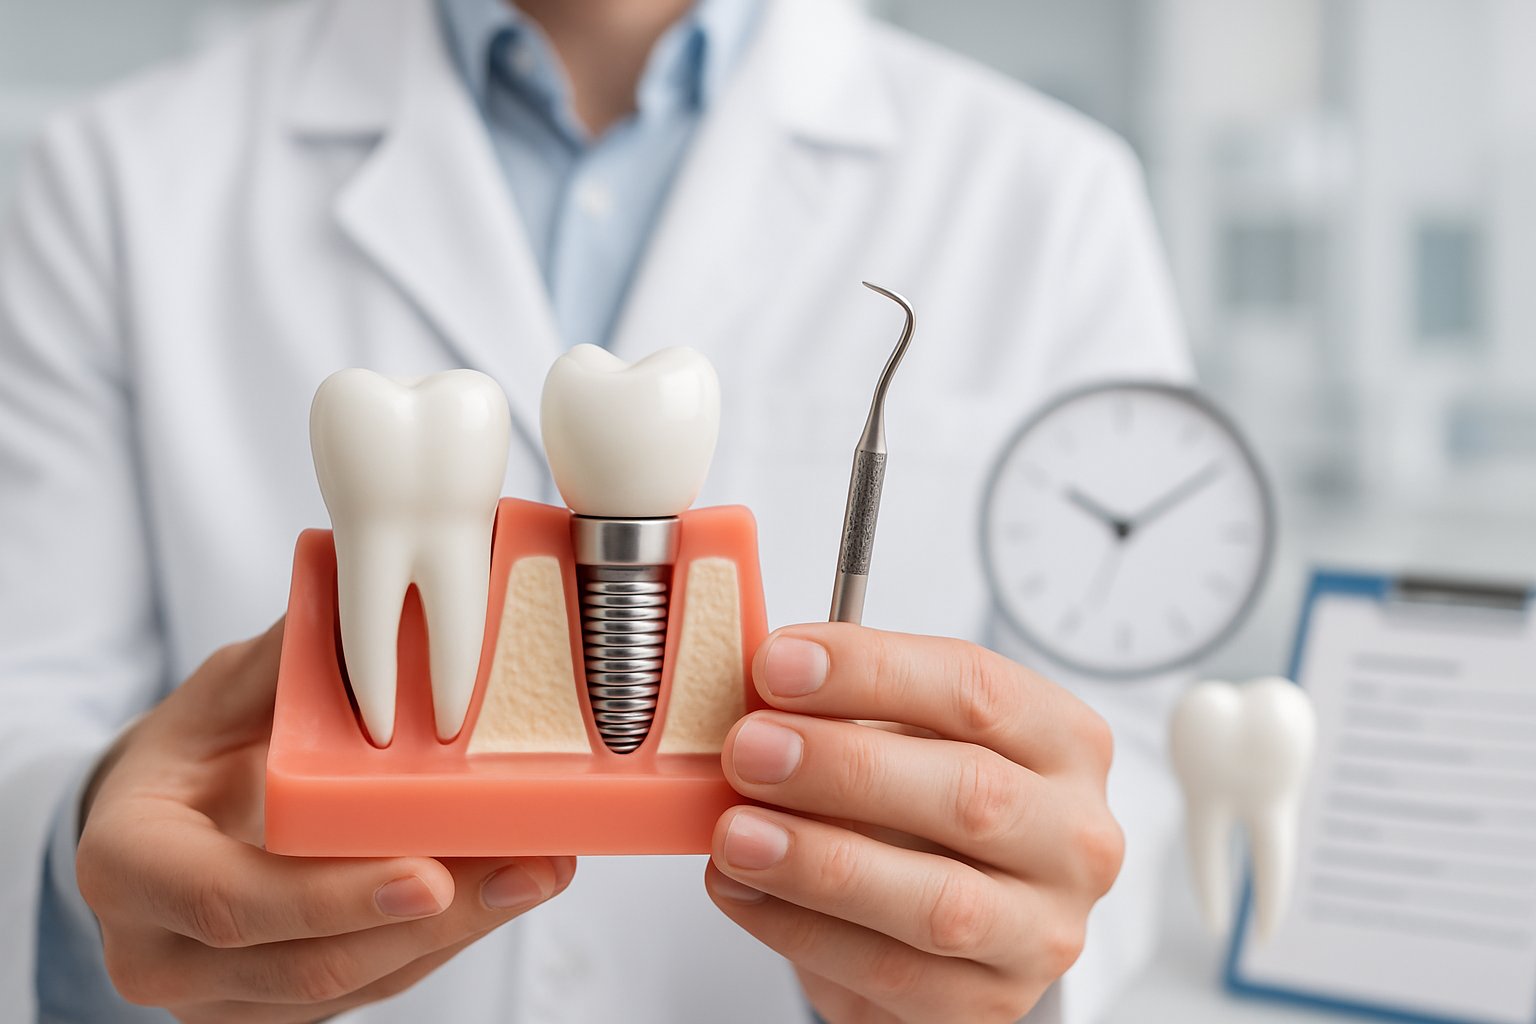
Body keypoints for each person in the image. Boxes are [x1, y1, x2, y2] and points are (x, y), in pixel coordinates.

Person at [0, 0, 1191, 1021]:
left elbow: (1126, 747)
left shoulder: (1054, 198)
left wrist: (1002, 946)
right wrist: (79, 876)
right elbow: (27, 706)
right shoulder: (104, 183)